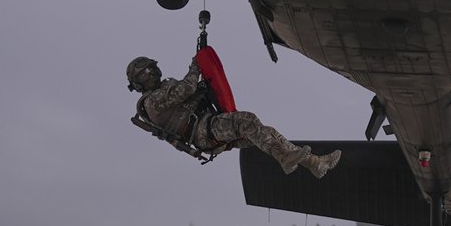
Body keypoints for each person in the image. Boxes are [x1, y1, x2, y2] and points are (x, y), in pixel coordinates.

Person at [126, 56, 341, 178]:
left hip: (208, 129)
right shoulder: (152, 102)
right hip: (204, 131)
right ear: (137, 83)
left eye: (152, 69)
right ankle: (284, 158)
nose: (152, 74)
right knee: (245, 120)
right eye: (145, 73)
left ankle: (314, 163)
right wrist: (195, 65)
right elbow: (188, 87)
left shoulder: (160, 94)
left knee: (266, 133)